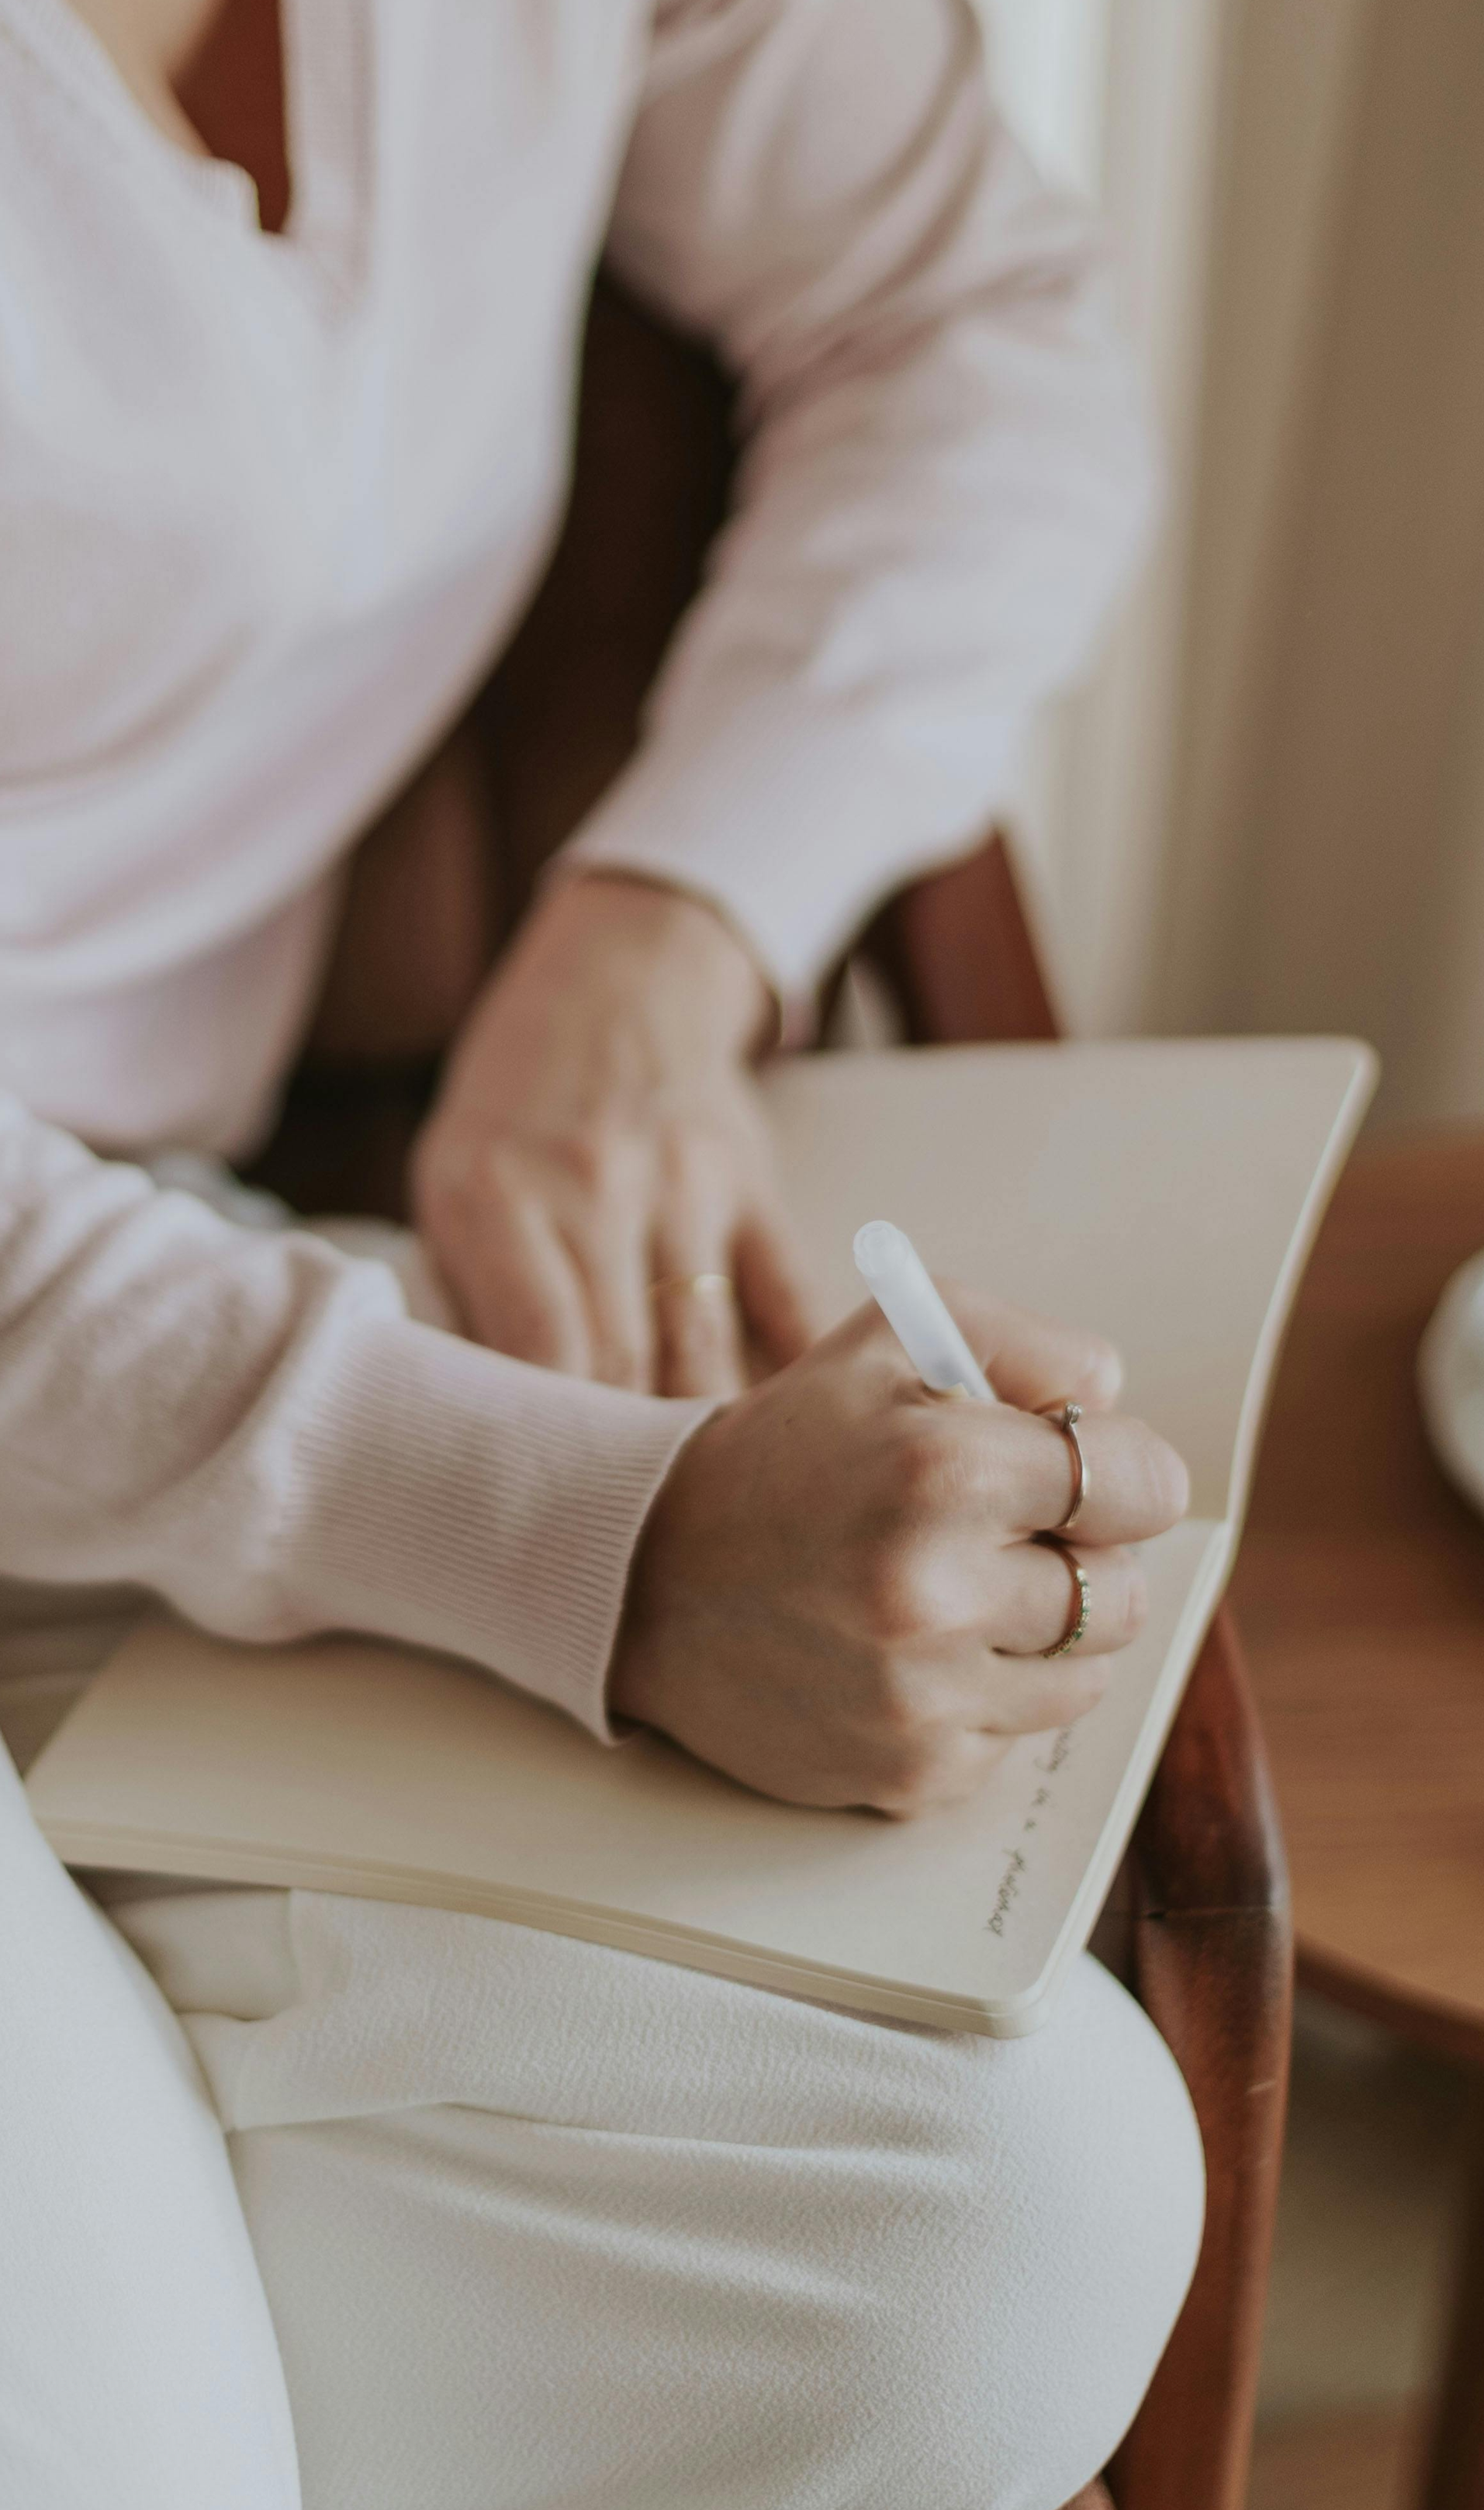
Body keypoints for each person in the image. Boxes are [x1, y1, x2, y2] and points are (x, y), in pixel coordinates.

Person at [0, 3, 1205, 2506]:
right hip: (160, 1363)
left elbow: (963, 317)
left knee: (999, 2227)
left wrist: (668, 929)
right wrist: (592, 1546)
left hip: (167, 1320)